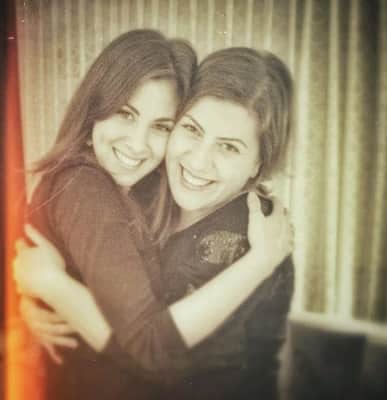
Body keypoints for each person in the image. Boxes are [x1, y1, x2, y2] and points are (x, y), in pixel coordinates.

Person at [13, 31, 293, 400]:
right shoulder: (145, 186)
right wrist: (35, 299)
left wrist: (53, 286)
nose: (198, 161)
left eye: (228, 147)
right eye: (191, 129)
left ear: (259, 162)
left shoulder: (250, 238)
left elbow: (162, 364)